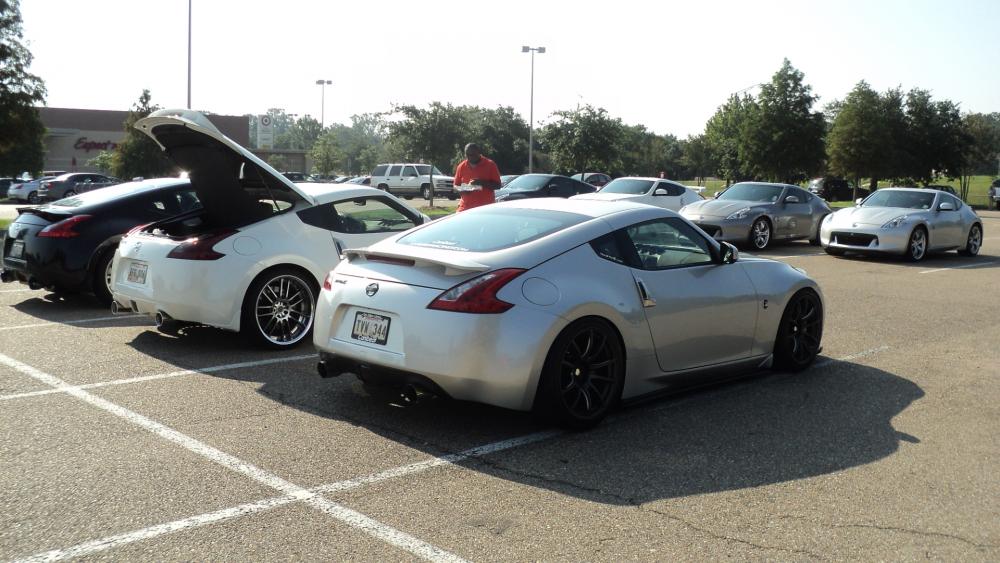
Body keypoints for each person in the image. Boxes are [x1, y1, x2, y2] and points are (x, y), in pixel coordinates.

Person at [453, 143, 501, 212]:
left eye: (473, 154)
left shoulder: (490, 164)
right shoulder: (461, 166)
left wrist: (481, 183)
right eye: (467, 155)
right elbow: (455, 187)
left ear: (479, 152)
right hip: (465, 208)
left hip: (485, 209)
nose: (470, 157)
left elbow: (498, 185)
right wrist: (464, 189)